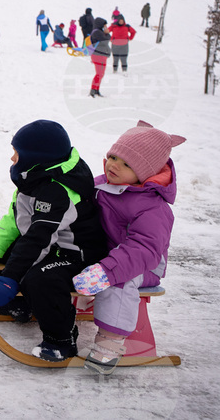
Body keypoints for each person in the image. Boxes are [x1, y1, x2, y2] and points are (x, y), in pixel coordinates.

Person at [0, 120, 107, 362]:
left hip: (77, 253)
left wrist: (10, 277)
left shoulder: (57, 191)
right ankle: (22, 305)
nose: (12, 159)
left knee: (41, 278)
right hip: (53, 244)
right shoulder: (34, 178)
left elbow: (37, 239)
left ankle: (61, 338)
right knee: (11, 252)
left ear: (36, 157)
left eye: (17, 154)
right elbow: (15, 217)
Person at [73, 121, 185, 374]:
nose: (113, 165)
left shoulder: (153, 207)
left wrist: (107, 271)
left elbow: (143, 248)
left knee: (119, 281)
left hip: (143, 265)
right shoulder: (101, 186)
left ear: (145, 172)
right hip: (106, 257)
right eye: (113, 156)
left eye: (126, 164)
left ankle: (110, 343)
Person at [89, 17, 111, 97]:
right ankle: (93, 90)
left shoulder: (100, 32)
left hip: (102, 55)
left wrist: (106, 33)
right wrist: (107, 33)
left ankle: (96, 89)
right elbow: (105, 41)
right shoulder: (96, 32)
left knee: (101, 74)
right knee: (99, 73)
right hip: (97, 55)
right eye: (104, 25)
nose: (105, 26)